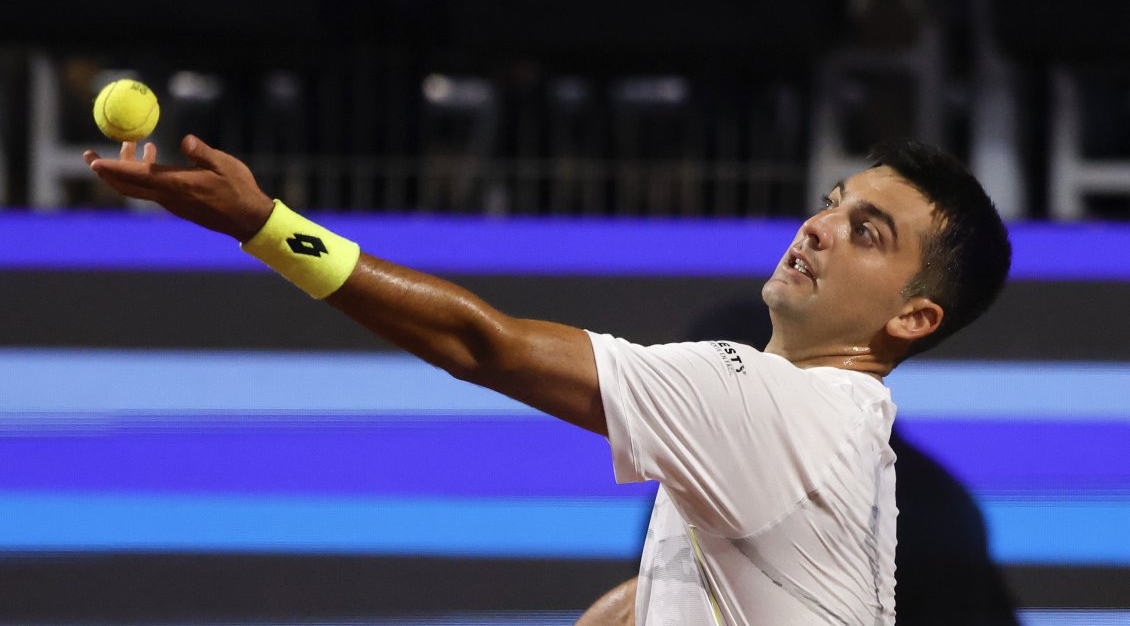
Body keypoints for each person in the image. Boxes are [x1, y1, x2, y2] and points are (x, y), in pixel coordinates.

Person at [84, 135, 1011, 625]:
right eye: (833, 204)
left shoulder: (765, 403)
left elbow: (481, 344)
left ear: (914, 317)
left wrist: (264, 225)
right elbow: (672, 596)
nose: (819, 227)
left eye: (866, 233)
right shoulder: (843, 433)